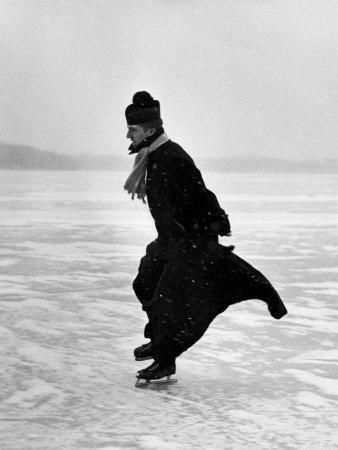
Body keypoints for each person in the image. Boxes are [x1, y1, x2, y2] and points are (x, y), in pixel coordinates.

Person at [124, 91, 287, 383]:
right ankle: (159, 339)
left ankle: (164, 360)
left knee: (168, 300)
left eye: (132, 129)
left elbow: (199, 192)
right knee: (145, 282)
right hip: (169, 240)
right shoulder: (151, 157)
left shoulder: (172, 157)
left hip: (189, 241)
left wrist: (216, 222)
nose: (127, 135)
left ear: (149, 130)